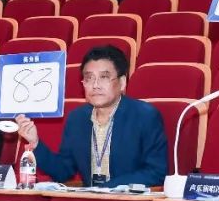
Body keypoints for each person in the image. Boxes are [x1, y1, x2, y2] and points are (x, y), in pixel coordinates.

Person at [15, 45, 167, 187]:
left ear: (122, 82)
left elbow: (156, 172)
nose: (95, 85)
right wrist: (35, 143)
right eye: (89, 78)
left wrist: (106, 189)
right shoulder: (77, 118)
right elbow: (63, 171)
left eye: (104, 77)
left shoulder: (145, 116)